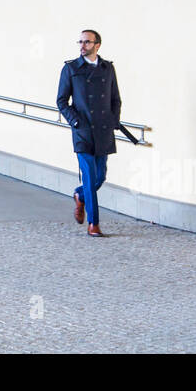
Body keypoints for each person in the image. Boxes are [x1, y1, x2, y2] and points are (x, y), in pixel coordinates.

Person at [56, 29, 122, 238]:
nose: (82, 45)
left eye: (87, 42)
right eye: (81, 42)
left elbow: (115, 99)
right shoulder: (71, 69)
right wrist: (75, 121)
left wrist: (113, 121)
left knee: (100, 177)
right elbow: (61, 101)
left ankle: (79, 195)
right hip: (83, 131)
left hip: (103, 131)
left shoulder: (107, 68)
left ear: (97, 45)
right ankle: (94, 223)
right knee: (90, 175)